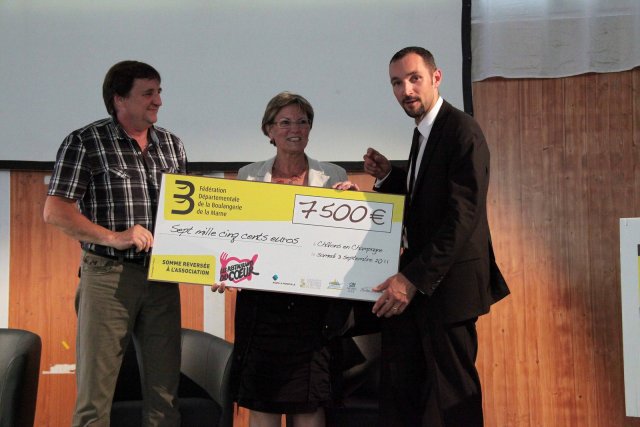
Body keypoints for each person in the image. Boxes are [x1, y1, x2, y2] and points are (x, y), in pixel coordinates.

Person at [361, 46, 510, 426]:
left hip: (449, 289)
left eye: (414, 79)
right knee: (416, 393)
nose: (406, 90)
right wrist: (389, 177)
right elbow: (427, 201)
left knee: (453, 398)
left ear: (436, 77)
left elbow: (462, 217)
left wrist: (410, 280)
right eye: (397, 83)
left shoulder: (461, 130)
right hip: (428, 288)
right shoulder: (425, 132)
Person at [43, 60, 187, 426]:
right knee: (95, 399)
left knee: (165, 398)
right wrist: (114, 237)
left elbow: (186, 218)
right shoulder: (85, 141)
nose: (158, 101)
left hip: (162, 277)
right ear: (119, 99)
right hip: (108, 276)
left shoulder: (172, 145)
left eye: (159, 92)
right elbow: (56, 211)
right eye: (148, 93)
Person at [212, 92, 352, 427]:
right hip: (262, 309)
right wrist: (223, 268)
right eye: (285, 122)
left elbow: (345, 244)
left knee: (309, 402)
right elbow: (234, 236)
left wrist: (353, 208)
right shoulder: (248, 176)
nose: (295, 129)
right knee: (262, 400)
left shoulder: (333, 176)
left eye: (302, 122)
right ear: (269, 130)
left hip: (314, 310)